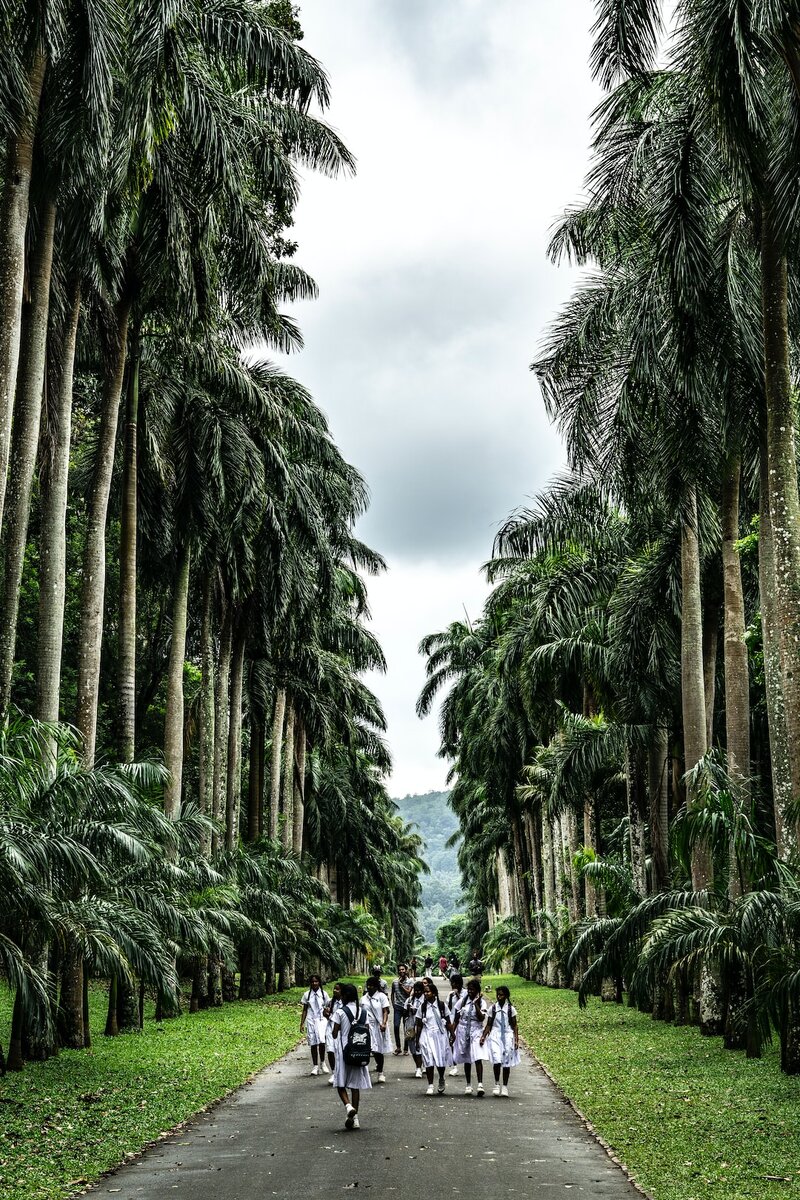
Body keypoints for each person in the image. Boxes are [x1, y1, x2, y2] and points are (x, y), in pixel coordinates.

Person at [331, 982, 371, 1129]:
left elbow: (334, 1034)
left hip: (344, 1052)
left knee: (340, 1084)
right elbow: (366, 1030)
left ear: (344, 996)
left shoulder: (340, 1012)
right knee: (355, 1086)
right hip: (359, 1052)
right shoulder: (363, 1012)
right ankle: (356, 1119)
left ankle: (348, 1107)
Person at [480, 984, 521, 1096]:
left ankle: (505, 1087)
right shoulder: (493, 1009)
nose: (499, 997)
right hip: (495, 1035)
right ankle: (497, 1083)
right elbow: (488, 1024)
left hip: (507, 1035)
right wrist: (483, 1036)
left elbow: (514, 1025)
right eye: (498, 995)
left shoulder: (510, 1009)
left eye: (501, 995)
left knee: (506, 1061)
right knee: (497, 1059)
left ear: (506, 996)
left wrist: (516, 1040)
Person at [450, 977, 488, 1096]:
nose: (470, 992)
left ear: (477, 991)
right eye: (469, 989)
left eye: (473, 990)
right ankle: (468, 1085)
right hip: (463, 1031)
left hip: (476, 1030)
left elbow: (482, 1018)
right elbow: (456, 1018)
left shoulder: (482, 1002)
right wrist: (452, 1033)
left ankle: (480, 1084)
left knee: (477, 1057)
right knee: (467, 1059)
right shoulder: (462, 1001)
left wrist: (476, 1005)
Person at [415, 979, 453, 1096]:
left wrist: (452, 1034)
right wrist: (417, 1040)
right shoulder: (423, 1007)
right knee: (428, 1059)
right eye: (425, 992)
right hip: (427, 1035)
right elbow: (419, 1024)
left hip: (440, 1036)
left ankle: (441, 1077)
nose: (426, 994)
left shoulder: (442, 1006)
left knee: (440, 1061)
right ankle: (430, 1085)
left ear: (434, 993)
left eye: (428, 992)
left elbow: (448, 1021)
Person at [361, 975, 392, 1081]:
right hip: (367, 1026)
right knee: (367, 1050)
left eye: (372, 986)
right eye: (368, 985)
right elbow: (360, 1012)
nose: (369, 987)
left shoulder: (382, 997)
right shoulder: (363, 999)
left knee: (378, 1050)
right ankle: (363, 1073)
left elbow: (385, 1011)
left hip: (378, 1026)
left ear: (376, 986)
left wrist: (383, 1023)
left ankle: (380, 1071)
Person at [299, 975, 330, 1075]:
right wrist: (302, 1023)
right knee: (313, 1043)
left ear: (319, 982)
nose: (314, 984)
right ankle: (315, 1066)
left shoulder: (324, 994)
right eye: (312, 982)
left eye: (316, 981)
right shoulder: (307, 995)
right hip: (311, 1019)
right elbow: (304, 1009)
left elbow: (328, 1007)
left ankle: (323, 1063)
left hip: (321, 1020)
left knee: (321, 1042)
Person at [446, 972, 467, 1076]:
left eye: (454, 983)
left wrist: (458, 995)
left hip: (463, 1022)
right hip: (452, 1020)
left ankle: (466, 1061)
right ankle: (454, 1066)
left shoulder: (466, 993)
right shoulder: (450, 995)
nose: (453, 985)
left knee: (463, 1043)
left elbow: (464, 1006)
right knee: (452, 1042)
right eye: (452, 983)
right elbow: (448, 1008)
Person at [405, 979, 425, 1078]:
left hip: (421, 1026)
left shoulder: (425, 1000)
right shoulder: (409, 1000)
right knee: (412, 1047)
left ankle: (419, 1067)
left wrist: (417, 1010)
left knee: (420, 1046)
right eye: (415, 990)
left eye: (419, 990)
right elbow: (404, 1013)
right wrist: (408, 1009)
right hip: (410, 1026)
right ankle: (418, 1065)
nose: (417, 992)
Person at [390, 964, 412, 1054]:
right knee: (396, 1026)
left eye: (403, 969)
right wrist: (393, 1004)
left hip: (406, 1008)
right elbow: (392, 993)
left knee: (406, 1028)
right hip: (397, 1007)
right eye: (400, 970)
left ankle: (406, 1049)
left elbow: (409, 993)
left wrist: (402, 985)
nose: (401, 971)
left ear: (406, 970)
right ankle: (398, 1047)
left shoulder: (410, 981)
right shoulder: (394, 982)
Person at [323, 982, 343, 1084]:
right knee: (330, 1050)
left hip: (342, 1030)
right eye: (334, 989)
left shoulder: (345, 1002)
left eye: (337, 989)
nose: (335, 991)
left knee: (340, 1052)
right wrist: (326, 1014)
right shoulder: (330, 1002)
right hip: (331, 1028)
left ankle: (342, 1073)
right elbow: (326, 1013)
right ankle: (334, 1073)